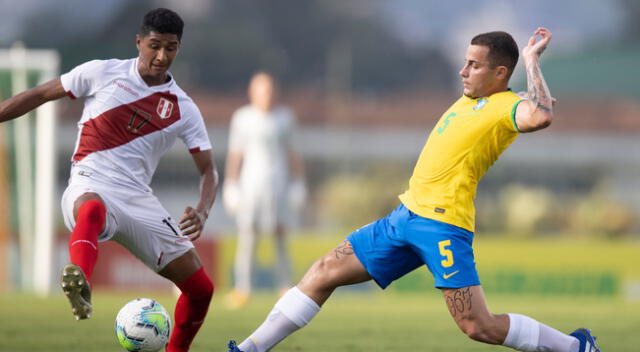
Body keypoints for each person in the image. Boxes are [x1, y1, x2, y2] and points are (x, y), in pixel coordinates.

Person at [226, 28, 601, 352]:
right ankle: (248, 348)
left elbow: (542, 114)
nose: (463, 70)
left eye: (474, 65)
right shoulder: (473, 99)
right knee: (323, 271)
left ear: (500, 72)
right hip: (404, 218)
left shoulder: (508, 107)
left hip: (442, 226)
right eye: (465, 61)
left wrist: (532, 60)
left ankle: (573, 346)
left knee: (477, 326)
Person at [0, 8, 217, 352]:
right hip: (91, 180)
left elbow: (208, 170)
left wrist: (203, 209)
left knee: (201, 289)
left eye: (171, 48)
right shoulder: (101, 73)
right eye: (155, 46)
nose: (162, 57)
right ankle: (81, 282)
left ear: (179, 47)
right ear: (139, 42)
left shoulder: (183, 108)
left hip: (138, 198)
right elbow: (39, 94)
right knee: (91, 210)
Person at [222, 71, 306, 309]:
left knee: (280, 236)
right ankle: (242, 289)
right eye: (261, 90)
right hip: (251, 185)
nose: (266, 95)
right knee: (248, 235)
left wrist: (298, 184)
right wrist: (231, 184)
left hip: (278, 184)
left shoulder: (285, 118)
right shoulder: (242, 118)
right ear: (252, 92)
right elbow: (235, 154)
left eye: (269, 90)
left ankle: (285, 288)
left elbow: (293, 153)